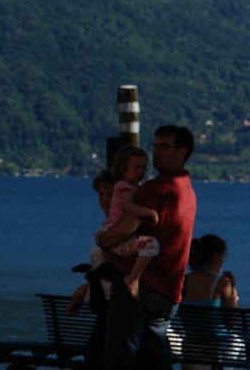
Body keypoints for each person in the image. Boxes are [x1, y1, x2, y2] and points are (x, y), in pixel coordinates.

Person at [99, 125, 197, 369]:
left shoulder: (158, 187)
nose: (157, 151)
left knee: (120, 356)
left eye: (164, 146)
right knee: (154, 358)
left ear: (182, 152)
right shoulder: (187, 189)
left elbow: (125, 228)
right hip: (169, 288)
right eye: (155, 145)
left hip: (141, 285)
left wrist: (103, 241)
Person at [66, 168, 116, 370]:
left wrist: (85, 288)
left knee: (95, 355)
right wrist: (85, 288)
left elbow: (115, 267)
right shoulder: (105, 227)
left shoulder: (121, 227)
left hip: (114, 302)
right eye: (101, 194)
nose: (104, 199)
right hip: (103, 301)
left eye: (110, 194)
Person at [102, 145, 160, 301]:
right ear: (122, 169)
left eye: (144, 167)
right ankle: (133, 277)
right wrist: (152, 213)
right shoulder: (124, 187)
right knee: (152, 245)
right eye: (136, 167)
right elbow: (129, 207)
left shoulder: (132, 187)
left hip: (117, 234)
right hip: (116, 234)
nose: (141, 171)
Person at [183, 234, 238, 308]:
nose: (222, 261)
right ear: (216, 255)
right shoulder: (221, 283)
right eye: (222, 257)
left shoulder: (182, 281)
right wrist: (233, 290)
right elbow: (233, 315)